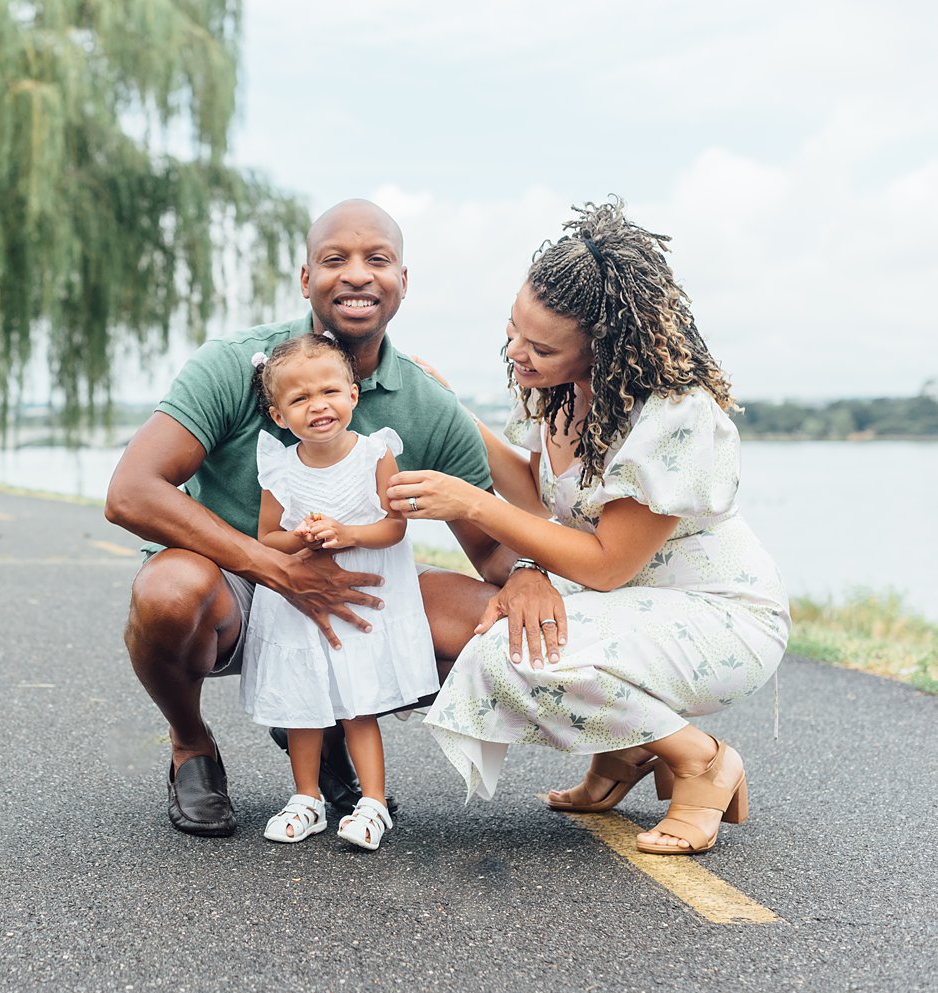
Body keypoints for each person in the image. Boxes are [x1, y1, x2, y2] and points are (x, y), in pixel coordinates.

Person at [104, 199, 562, 838]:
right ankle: (192, 745)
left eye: (378, 260)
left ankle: (329, 719)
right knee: (167, 593)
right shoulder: (238, 364)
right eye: (334, 260)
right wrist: (276, 569)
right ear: (305, 279)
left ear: (403, 280)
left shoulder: (426, 405)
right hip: (235, 587)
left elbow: (489, 549)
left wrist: (528, 569)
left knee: (498, 629)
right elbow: (131, 492)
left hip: (360, 594)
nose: (356, 275)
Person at [388, 198, 789, 856]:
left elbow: (606, 563)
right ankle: (626, 750)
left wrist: (472, 504)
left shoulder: (672, 416)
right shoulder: (565, 389)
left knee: (510, 651)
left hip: (720, 614)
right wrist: (453, 413)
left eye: (541, 346)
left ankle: (700, 761)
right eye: (513, 330)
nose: (517, 353)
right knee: (438, 606)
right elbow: (546, 491)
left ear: (604, 346)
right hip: (632, 602)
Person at [242, 333, 436, 849]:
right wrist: (301, 537)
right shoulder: (279, 466)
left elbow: (394, 528)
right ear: (279, 415)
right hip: (300, 605)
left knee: (358, 705)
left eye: (329, 391)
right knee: (302, 706)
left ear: (353, 395)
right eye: (299, 399)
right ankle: (307, 798)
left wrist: (347, 534)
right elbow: (268, 538)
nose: (317, 406)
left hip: (356, 603)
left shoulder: (376, 453)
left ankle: (372, 801)